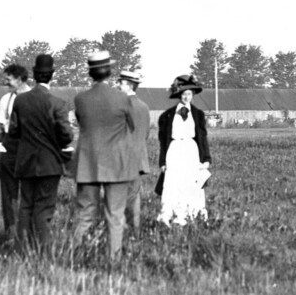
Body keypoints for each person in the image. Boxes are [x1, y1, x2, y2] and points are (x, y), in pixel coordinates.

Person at [73, 51, 136, 260]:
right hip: (116, 163)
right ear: (109, 71)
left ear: (90, 73)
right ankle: (114, 260)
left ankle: (76, 258)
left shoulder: (80, 99)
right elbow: (131, 126)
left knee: (85, 214)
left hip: (88, 163)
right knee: (115, 215)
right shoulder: (122, 98)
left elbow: (82, 123)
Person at [8, 54, 72, 252]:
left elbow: (13, 132)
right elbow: (67, 136)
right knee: (43, 210)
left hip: (25, 163)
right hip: (49, 165)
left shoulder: (20, 101)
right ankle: (43, 253)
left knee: (25, 207)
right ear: (52, 75)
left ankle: (22, 251)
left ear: (34, 75)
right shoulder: (58, 103)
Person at [156, 75, 211, 226]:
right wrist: (162, 162)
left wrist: (206, 159)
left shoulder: (198, 114)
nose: (187, 97)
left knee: (192, 182)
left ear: (193, 95)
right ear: (179, 95)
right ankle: (170, 216)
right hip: (174, 151)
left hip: (191, 152)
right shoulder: (167, 116)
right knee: (173, 182)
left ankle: (191, 214)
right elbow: (163, 142)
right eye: (184, 94)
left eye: (189, 94)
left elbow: (202, 138)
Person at [0, 64, 30, 235]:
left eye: (8, 79)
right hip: (9, 148)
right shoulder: (5, 99)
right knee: (9, 194)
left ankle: (27, 233)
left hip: (28, 148)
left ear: (19, 79)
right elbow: (2, 128)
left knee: (28, 193)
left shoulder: (32, 97)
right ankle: (11, 233)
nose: (6, 83)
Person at [118, 70, 151, 236]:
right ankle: (136, 231)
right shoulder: (144, 106)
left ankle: (121, 231)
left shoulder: (120, 106)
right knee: (135, 195)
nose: (118, 85)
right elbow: (146, 133)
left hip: (122, 157)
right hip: (138, 158)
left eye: (121, 83)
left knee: (119, 196)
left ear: (129, 85)